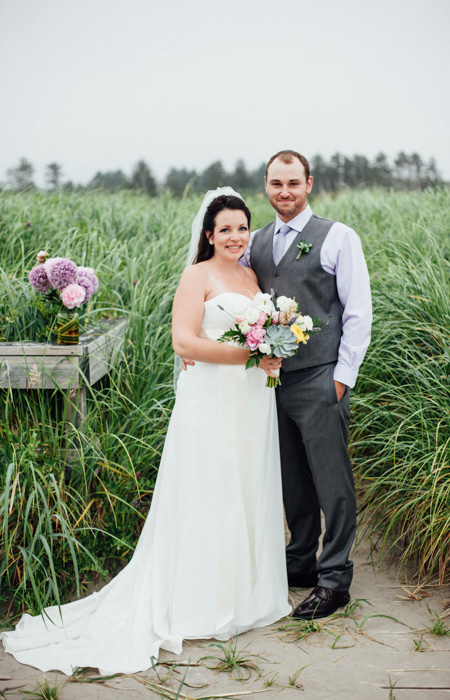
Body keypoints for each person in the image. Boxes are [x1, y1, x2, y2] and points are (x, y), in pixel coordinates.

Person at [1, 189, 291, 676]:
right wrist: (250, 354)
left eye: (242, 228)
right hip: (210, 399)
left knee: (246, 485)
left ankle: (244, 596)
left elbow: (255, 334)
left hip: (252, 398)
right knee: (208, 490)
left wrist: (274, 350)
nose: (236, 237)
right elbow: (184, 341)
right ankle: (199, 600)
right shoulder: (196, 275)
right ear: (208, 234)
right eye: (226, 229)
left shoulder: (251, 275)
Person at [240, 150, 372, 620]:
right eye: (276, 183)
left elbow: (358, 312)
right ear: (266, 185)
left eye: (293, 183)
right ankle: (300, 562)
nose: (285, 192)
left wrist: (342, 378)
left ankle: (335, 579)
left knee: (332, 480)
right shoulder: (254, 242)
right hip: (271, 381)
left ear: (309, 183)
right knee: (292, 479)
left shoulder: (337, 237)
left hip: (321, 377)